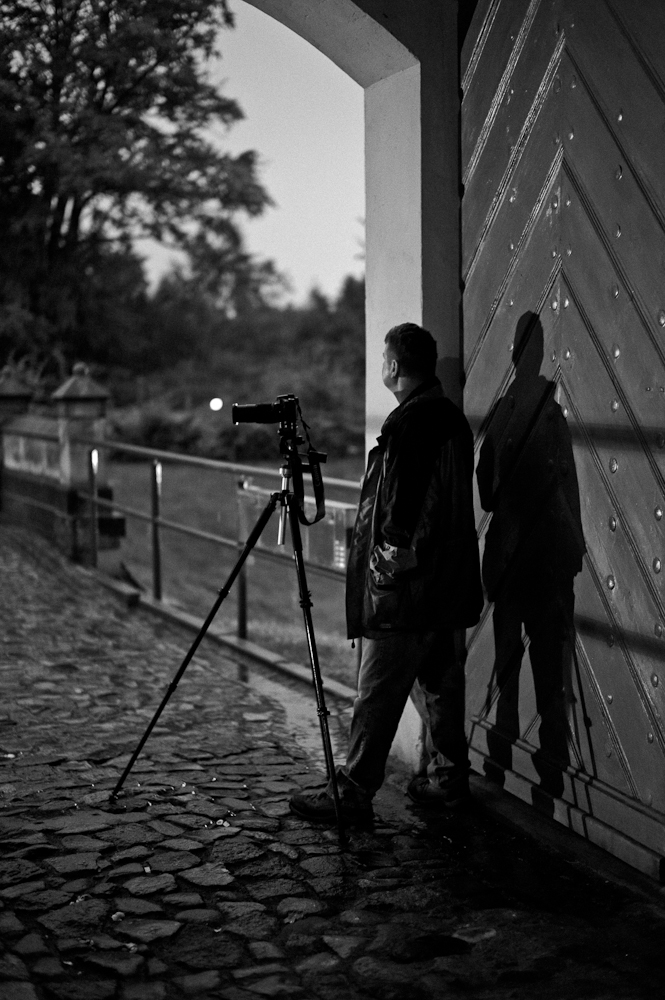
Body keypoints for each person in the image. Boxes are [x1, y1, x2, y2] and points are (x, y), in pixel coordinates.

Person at [290, 322, 483, 823]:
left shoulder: (410, 424)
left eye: (383, 359)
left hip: (409, 589)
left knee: (376, 689)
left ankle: (353, 790)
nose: (381, 366)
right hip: (445, 585)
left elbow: (401, 512)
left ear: (394, 367)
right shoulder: (451, 419)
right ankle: (447, 779)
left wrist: (382, 575)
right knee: (440, 682)